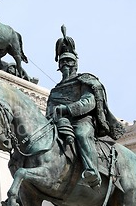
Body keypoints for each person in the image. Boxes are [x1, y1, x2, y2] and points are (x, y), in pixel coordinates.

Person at [46, 25, 125, 187]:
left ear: (75, 64)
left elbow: (89, 102)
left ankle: (91, 170)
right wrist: (53, 117)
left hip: (83, 121)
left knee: (81, 134)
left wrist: (68, 109)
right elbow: (49, 111)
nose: (65, 65)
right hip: (62, 123)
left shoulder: (85, 80)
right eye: (62, 62)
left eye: (69, 61)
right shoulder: (54, 91)